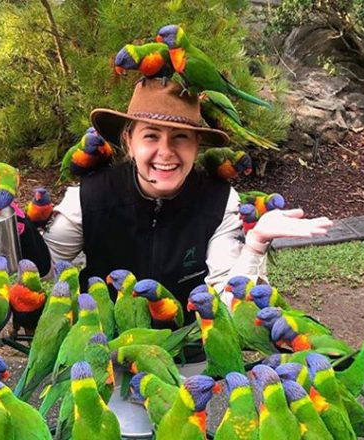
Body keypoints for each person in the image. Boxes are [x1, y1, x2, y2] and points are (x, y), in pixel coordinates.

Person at [23, 79, 332, 321]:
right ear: (129, 142)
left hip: (188, 356)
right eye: (151, 136)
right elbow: (45, 268)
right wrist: (14, 227)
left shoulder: (221, 201)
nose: (166, 151)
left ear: (197, 144)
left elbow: (227, 302)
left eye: (180, 137)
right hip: (105, 356)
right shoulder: (89, 197)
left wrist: (256, 242)